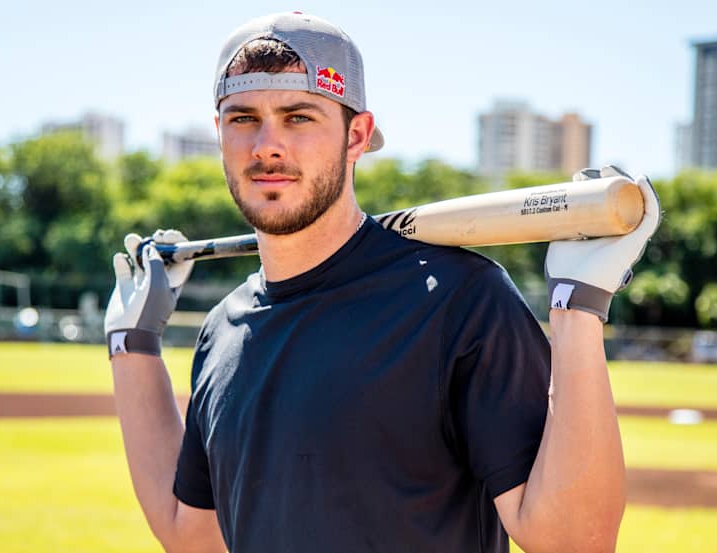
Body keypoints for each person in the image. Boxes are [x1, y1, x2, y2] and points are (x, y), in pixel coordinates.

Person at [104, 12, 660, 553]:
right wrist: (132, 346)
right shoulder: (223, 331)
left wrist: (577, 306)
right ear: (219, 133)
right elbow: (193, 537)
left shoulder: (459, 301)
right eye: (243, 117)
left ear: (357, 135)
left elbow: (575, 542)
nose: (267, 145)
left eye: (299, 117)